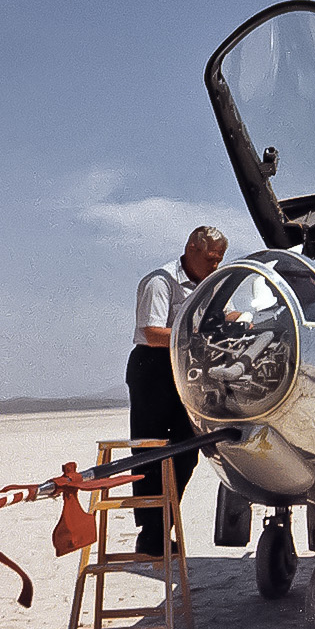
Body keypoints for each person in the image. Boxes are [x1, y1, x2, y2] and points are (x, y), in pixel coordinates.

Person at [128, 226, 228, 556]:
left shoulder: (208, 285)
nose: (215, 266)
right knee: (152, 450)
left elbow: (215, 318)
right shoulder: (161, 281)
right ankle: (150, 533)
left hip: (186, 368)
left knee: (187, 450)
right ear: (192, 250)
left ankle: (164, 524)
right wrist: (195, 334)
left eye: (220, 260)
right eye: (211, 259)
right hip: (154, 367)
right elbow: (151, 332)